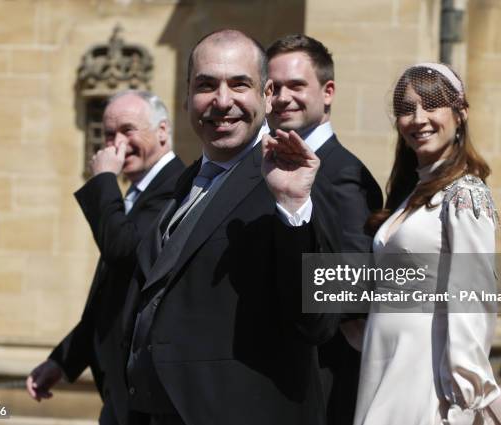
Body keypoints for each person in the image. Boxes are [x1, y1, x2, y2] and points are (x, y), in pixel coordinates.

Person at [121, 29, 335, 425]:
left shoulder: (298, 180)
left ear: (267, 95)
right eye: (206, 86)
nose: (222, 101)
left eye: (240, 84)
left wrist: (292, 207)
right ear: (187, 96)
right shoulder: (187, 183)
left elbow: (318, 321)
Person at [353, 63, 501, 424]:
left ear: (460, 113)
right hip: (382, 362)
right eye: (406, 108)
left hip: (426, 373)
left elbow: (474, 293)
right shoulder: (411, 194)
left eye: (431, 104)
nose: (418, 118)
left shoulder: (466, 192)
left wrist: (464, 389)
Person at [25, 91, 185, 425]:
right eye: (109, 134)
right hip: (119, 388)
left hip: (146, 392)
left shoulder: (175, 190)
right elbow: (110, 296)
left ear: (162, 131)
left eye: (128, 130)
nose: (117, 144)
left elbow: (122, 251)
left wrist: (103, 180)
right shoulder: (138, 194)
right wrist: (63, 361)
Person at [266, 34, 382, 424]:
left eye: (296, 85)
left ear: (327, 91)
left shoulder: (343, 172)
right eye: (273, 87)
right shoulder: (266, 164)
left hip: (319, 383)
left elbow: (357, 278)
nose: (283, 97)